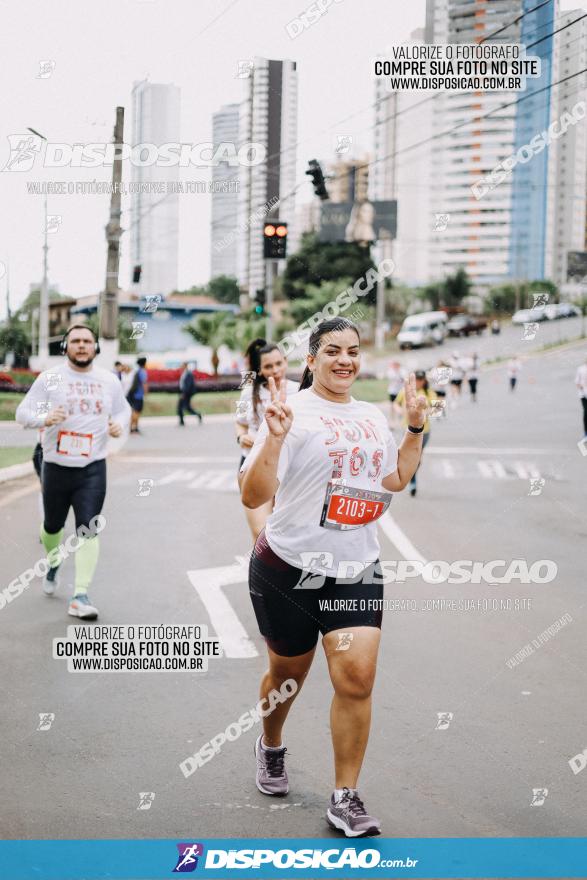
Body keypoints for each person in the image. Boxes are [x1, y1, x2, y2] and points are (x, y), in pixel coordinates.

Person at [240, 318, 427, 838]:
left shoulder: (370, 415)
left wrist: (413, 430)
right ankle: (271, 745)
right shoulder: (289, 412)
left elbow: (392, 478)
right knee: (287, 678)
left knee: (357, 679)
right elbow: (253, 496)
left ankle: (345, 796)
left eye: (353, 351)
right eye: (332, 351)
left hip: (355, 568)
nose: (344, 360)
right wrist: (273, 441)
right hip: (287, 569)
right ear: (311, 359)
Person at [15, 324, 130, 619]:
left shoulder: (108, 380)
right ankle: (53, 561)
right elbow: (22, 413)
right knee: (52, 526)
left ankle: (80, 595)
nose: (81, 346)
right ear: (65, 346)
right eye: (75, 341)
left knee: (88, 528)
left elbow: (122, 410)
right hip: (55, 465)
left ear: (95, 348)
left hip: (92, 467)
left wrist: (119, 424)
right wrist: (45, 417)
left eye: (87, 341)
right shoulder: (50, 379)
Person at [236, 339, 298, 542]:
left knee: (285, 534)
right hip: (254, 464)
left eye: (279, 363)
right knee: (260, 533)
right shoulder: (247, 394)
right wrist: (241, 437)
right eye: (268, 366)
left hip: (290, 469)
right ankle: (259, 571)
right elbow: (240, 424)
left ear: (286, 362)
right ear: (260, 370)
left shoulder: (301, 391)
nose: (275, 370)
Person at [393, 370, 436, 497]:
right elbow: (396, 403)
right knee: (409, 455)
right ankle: (412, 481)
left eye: (421, 380)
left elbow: (437, 408)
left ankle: (412, 475)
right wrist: (400, 411)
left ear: (424, 381)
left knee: (418, 459)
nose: (418, 382)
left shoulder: (429, 392)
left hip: (424, 431)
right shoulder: (406, 391)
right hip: (408, 429)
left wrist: (424, 412)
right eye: (417, 379)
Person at [127, 357, 148, 433]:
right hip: (138, 395)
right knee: (136, 412)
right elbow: (144, 383)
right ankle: (132, 427)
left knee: (135, 411)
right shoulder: (142, 371)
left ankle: (134, 427)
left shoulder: (137, 371)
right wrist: (146, 393)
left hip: (134, 394)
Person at [177, 362, 203, 426]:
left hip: (186, 393)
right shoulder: (184, 373)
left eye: (182, 366)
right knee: (185, 407)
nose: (180, 367)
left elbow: (188, 385)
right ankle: (182, 421)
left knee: (182, 407)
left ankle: (182, 421)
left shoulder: (188, 374)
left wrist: (184, 393)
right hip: (184, 393)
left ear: (185, 366)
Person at [575, 357, 587, 439]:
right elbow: (577, 382)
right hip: (583, 395)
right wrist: (582, 387)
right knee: (586, 412)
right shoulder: (581, 369)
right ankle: (586, 432)